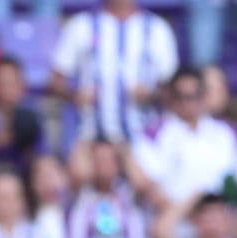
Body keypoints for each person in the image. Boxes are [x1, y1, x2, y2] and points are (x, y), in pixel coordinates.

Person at [49, 0, 178, 144]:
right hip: (89, 134)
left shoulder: (157, 29)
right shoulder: (81, 25)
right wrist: (75, 95)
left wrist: (151, 94)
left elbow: (172, 88)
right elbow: (55, 81)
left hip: (143, 137)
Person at [134, 67, 237, 209]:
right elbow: (150, 188)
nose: (189, 103)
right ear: (171, 98)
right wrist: (192, 219)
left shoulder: (228, 132)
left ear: (204, 96)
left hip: (225, 223)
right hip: (176, 225)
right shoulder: (153, 135)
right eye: (183, 97)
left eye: (195, 96)